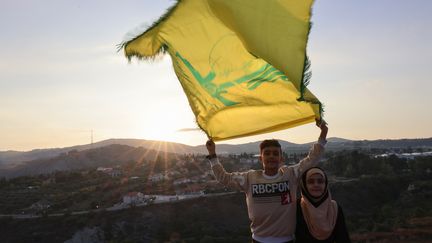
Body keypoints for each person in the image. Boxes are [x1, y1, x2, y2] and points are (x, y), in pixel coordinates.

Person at [205, 120, 328, 243]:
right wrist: (212, 154)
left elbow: (311, 159)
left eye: (275, 153)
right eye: (267, 153)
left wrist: (323, 134)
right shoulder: (250, 178)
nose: (271, 156)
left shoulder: (290, 174)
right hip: (258, 240)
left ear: (281, 158)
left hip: (287, 240)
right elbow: (224, 178)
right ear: (261, 158)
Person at [295, 167, 351, 243]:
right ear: (304, 185)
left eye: (320, 181)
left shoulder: (334, 208)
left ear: (325, 184)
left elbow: (343, 238)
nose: (316, 185)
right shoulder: (297, 207)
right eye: (311, 182)